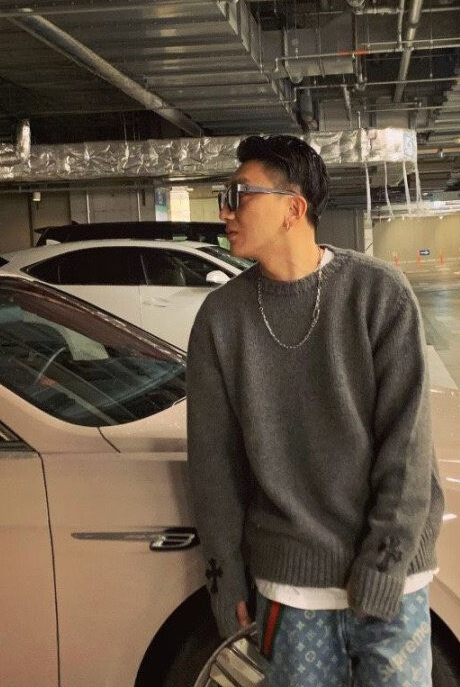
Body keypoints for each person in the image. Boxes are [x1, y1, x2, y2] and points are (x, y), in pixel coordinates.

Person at [187, 134, 444, 687]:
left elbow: (408, 446)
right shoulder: (220, 318)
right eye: (224, 197)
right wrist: (225, 581)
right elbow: (213, 467)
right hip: (289, 588)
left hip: (394, 581)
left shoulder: (379, 293)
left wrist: (382, 568)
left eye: (239, 195)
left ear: (293, 208)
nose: (225, 211)